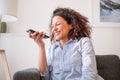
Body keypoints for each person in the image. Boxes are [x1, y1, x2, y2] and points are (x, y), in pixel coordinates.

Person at [29, 7, 104, 80]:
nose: (54, 29)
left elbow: (89, 74)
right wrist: (41, 46)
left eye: (58, 24)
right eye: (52, 26)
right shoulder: (51, 49)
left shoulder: (83, 43)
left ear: (71, 25)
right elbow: (45, 76)